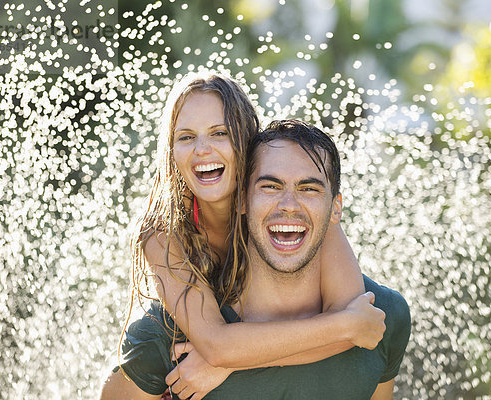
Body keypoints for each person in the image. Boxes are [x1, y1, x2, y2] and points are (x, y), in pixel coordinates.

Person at [99, 73, 389, 400]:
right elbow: (348, 327)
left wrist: (227, 364)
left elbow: (354, 325)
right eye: (186, 137)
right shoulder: (163, 229)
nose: (202, 150)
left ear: (244, 140)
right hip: (172, 365)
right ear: (171, 151)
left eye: (219, 133)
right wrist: (223, 357)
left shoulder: (291, 206)